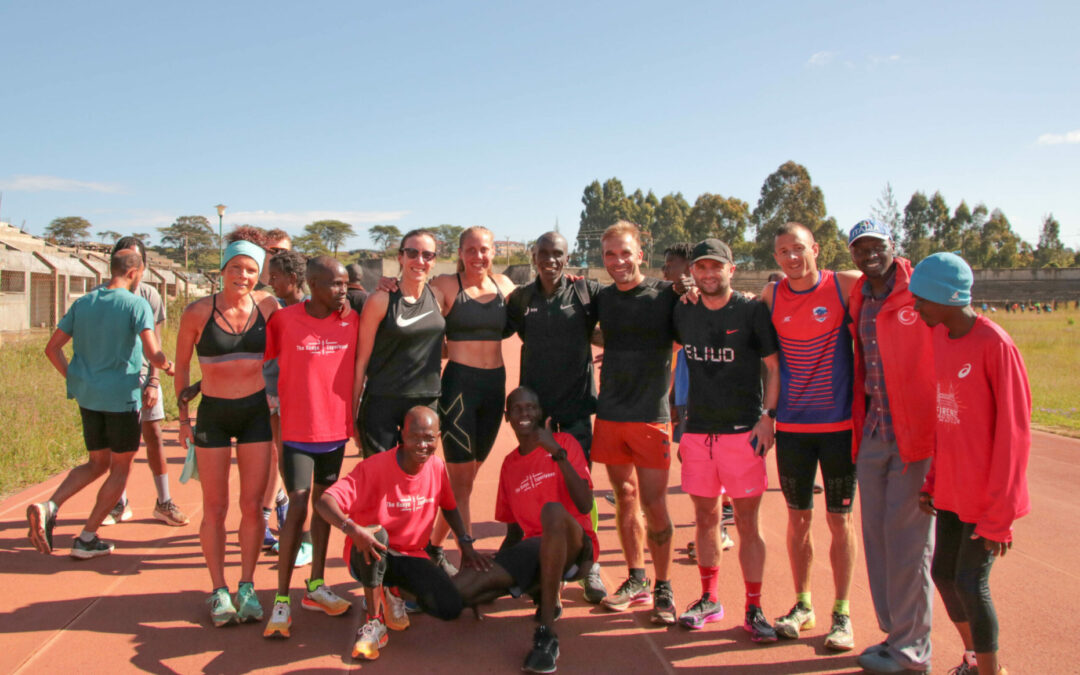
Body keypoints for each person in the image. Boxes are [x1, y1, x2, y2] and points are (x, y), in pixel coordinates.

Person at [911, 253, 1030, 675]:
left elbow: (1014, 437)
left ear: (946, 297)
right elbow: (948, 419)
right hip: (953, 491)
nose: (915, 307)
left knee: (969, 582)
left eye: (921, 299)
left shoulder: (995, 344)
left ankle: (991, 672)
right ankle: (974, 658)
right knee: (944, 575)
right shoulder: (941, 336)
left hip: (987, 496)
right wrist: (934, 481)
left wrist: (1001, 516)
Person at [28, 250, 174, 559]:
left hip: (89, 397)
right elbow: (153, 352)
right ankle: (87, 537)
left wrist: (76, 378)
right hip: (121, 398)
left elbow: (52, 348)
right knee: (119, 468)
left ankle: (49, 506)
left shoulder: (83, 302)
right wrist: (167, 365)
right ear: (136, 272)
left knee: (97, 462)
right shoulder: (137, 304)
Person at [671, 239, 780, 643]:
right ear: (693, 272)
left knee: (748, 524)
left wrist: (768, 418)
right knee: (705, 519)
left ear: (731, 270)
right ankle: (710, 599)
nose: (708, 273)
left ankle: (754, 606)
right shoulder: (684, 311)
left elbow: (773, 366)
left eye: (716, 266)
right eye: (701, 267)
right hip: (699, 433)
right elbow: (668, 352)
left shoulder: (752, 310)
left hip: (742, 433)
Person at [316, 406, 487, 661]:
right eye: (415, 436)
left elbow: (450, 507)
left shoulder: (437, 467)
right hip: (367, 551)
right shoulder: (374, 468)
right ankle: (374, 624)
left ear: (438, 437)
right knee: (378, 536)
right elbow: (324, 502)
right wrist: (352, 529)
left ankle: (393, 590)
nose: (422, 444)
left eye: (429, 438)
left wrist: (465, 542)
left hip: (410, 555)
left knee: (449, 607)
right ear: (402, 435)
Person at [761, 222, 860, 651]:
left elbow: (895, 278)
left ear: (815, 248)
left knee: (839, 521)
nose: (791, 258)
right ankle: (803, 605)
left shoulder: (845, 285)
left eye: (798, 248)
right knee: (797, 518)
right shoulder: (771, 296)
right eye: (783, 251)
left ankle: (843, 613)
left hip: (839, 429)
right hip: (794, 429)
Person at [845, 220, 936, 674]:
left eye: (876, 246)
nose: (869, 254)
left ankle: (913, 651)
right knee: (879, 538)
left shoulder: (920, 291)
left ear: (892, 245)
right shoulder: (859, 295)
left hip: (915, 436)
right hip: (874, 431)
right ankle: (895, 632)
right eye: (860, 249)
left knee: (910, 543)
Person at [454, 387, 598, 673]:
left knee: (552, 512)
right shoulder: (509, 465)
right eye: (517, 409)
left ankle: (546, 634)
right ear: (507, 417)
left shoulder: (564, 442)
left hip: (575, 545)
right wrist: (491, 573)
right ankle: (534, 588)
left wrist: (557, 453)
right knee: (458, 589)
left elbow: (584, 504)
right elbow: (514, 533)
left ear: (540, 412)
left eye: (531, 407)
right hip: (536, 550)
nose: (525, 414)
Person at [174, 239, 279, 627]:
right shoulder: (197, 312)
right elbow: (182, 367)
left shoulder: (268, 308)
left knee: (253, 506)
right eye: (236, 267)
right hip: (214, 415)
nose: (243, 276)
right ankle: (219, 590)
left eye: (251, 270)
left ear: (259, 274)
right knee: (215, 507)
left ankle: (247, 586)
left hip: (255, 415)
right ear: (222, 270)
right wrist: (184, 419)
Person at [504, 230, 606, 603]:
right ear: (533, 258)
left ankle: (590, 561)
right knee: (538, 484)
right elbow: (491, 327)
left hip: (577, 410)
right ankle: (537, 553)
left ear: (568, 257)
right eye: (543, 253)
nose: (550, 260)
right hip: (537, 415)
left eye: (557, 253)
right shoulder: (520, 298)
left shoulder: (586, 293)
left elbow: (618, 320)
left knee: (582, 488)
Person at [262, 257, 358, 639]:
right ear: (313, 283)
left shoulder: (351, 319)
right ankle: (281, 601)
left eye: (346, 284)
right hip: (298, 432)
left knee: (325, 505)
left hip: (335, 430)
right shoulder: (283, 321)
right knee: (298, 504)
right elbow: (267, 369)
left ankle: (316, 586)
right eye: (335, 284)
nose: (342, 291)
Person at [591, 221, 680, 624]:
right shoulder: (603, 298)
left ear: (640, 254)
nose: (618, 261)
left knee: (654, 503)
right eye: (610, 254)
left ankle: (664, 584)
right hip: (610, 412)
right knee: (623, 495)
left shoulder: (666, 295)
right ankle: (636, 577)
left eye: (625, 253)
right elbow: (597, 333)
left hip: (651, 415)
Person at [425, 226, 518, 572]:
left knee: (467, 478)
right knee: (461, 482)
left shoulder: (505, 287)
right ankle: (468, 559)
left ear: (494, 251)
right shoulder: (447, 286)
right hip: (459, 388)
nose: (478, 256)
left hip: (495, 387)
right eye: (471, 250)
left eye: (485, 249)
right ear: (460, 253)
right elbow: (414, 306)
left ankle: (433, 545)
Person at [98, 237, 189, 528]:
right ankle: (119, 502)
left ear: (143, 266)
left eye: (137, 261)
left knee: (154, 438)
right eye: (125, 260)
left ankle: (164, 502)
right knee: (118, 444)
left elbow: (156, 342)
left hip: (144, 378)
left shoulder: (150, 296)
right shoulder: (101, 296)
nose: (131, 267)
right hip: (113, 382)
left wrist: (153, 380)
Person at [663, 242, 736, 561]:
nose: (665, 271)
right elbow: (674, 349)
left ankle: (720, 525)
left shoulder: (706, 301)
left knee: (712, 461)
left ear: (689, 268)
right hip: (686, 393)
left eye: (670, 265)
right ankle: (718, 519)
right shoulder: (677, 303)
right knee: (691, 459)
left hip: (714, 399)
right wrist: (673, 398)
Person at [354, 229, 446, 457]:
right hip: (382, 402)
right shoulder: (381, 299)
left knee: (416, 480)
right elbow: (361, 361)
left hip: (426, 401)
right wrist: (351, 415)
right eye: (412, 253)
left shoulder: (439, 296)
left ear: (434, 261)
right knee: (380, 478)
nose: (420, 260)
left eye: (428, 255)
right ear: (400, 257)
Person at [261, 249, 307, 554]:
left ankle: (301, 537)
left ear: (292, 279)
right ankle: (286, 513)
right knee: (281, 459)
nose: (270, 282)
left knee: (300, 470)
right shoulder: (275, 310)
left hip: (300, 401)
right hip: (275, 397)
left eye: (275, 277)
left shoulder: (312, 310)